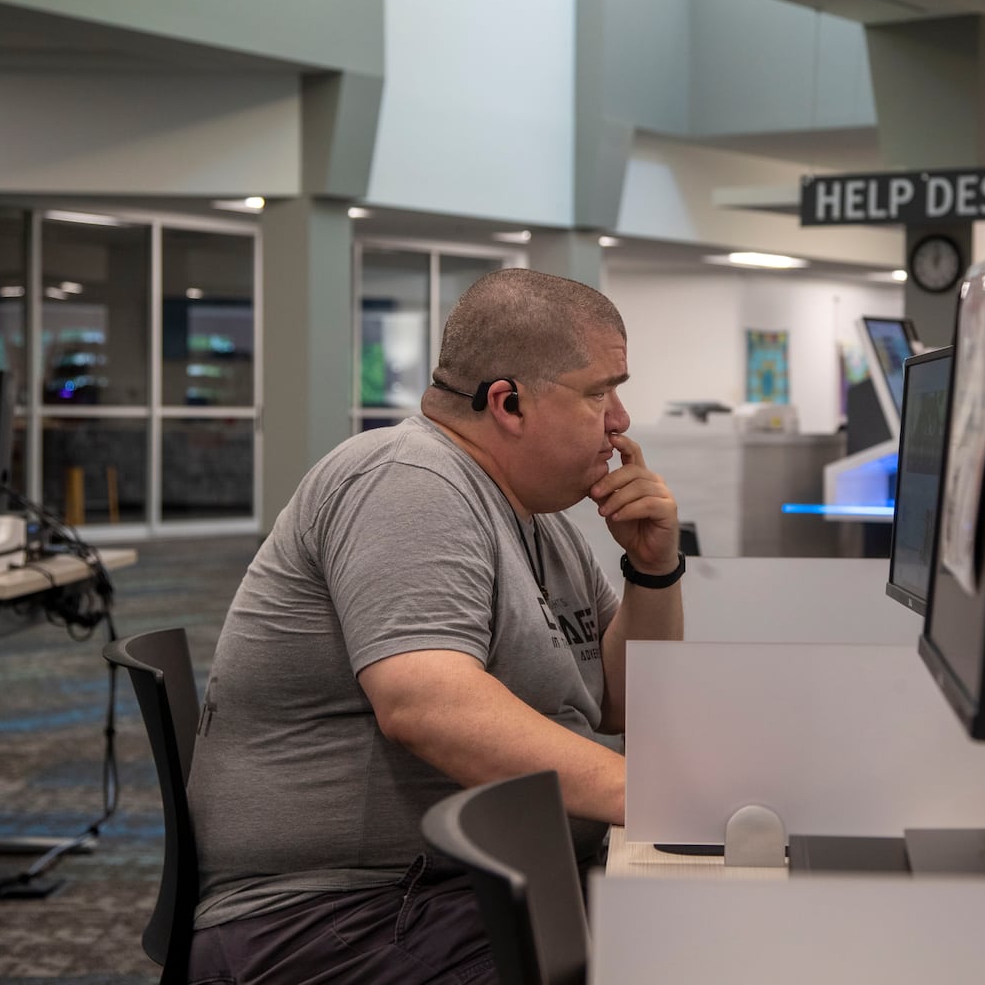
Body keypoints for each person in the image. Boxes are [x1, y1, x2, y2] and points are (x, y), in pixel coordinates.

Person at [184, 268, 684, 983]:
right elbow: (428, 707)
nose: (621, 420)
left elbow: (622, 702)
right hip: (338, 918)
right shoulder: (408, 480)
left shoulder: (540, 516)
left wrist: (654, 572)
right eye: (600, 391)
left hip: (454, 893)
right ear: (508, 402)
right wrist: (660, 800)